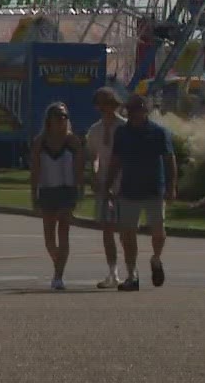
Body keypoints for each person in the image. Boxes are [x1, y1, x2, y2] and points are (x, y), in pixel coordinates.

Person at [103, 94, 176, 291]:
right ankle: (131, 275)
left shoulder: (159, 132)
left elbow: (169, 160)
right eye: (133, 109)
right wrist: (108, 185)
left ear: (146, 111)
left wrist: (171, 186)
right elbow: (115, 161)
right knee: (128, 234)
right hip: (129, 189)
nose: (137, 113)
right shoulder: (122, 133)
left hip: (154, 188)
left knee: (158, 232)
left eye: (140, 109)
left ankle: (156, 259)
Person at [80, 87, 126, 289]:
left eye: (108, 103)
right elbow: (93, 156)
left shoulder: (125, 128)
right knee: (107, 230)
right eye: (100, 104)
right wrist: (94, 174)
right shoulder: (95, 130)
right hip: (104, 185)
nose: (104, 107)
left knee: (125, 231)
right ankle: (112, 272)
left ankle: (130, 270)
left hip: (125, 185)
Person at [30, 104, 80, 290]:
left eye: (64, 116)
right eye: (58, 116)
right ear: (49, 119)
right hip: (47, 190)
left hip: (67, 190)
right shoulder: (40, 142)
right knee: (49, 238)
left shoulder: (72, 141)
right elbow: (35, 169)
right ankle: (57, 263)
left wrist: (79, 189)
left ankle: (58, 276)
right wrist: (33, 193)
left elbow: (79, 167)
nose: (62, 120)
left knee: (64, 232)